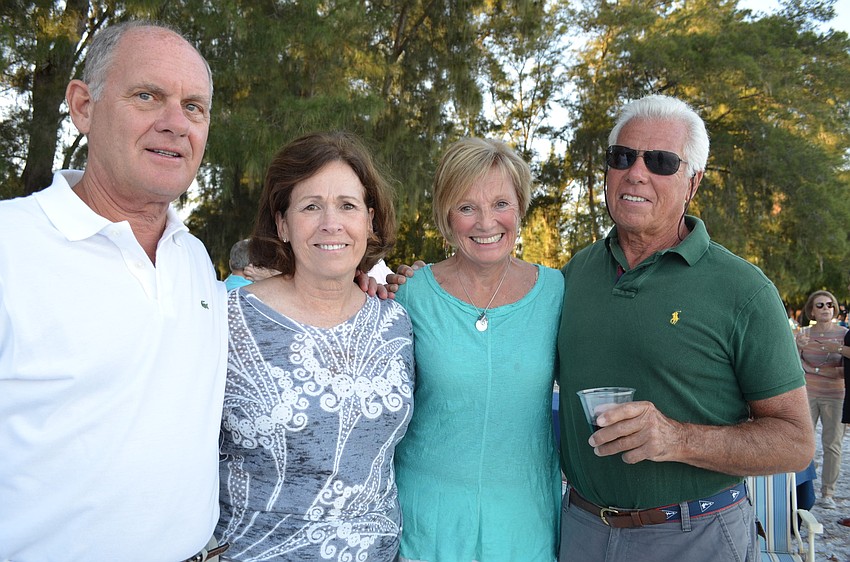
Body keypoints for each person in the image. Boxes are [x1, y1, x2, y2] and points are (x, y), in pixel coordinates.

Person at [0, 21, 229, 562]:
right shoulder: (9, 245)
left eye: (194, 107)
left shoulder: (193, 259)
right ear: (83, 106)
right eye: (148, 96)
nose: (175, 124)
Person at [556, 94, 814, 561]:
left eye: (660, 161)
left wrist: (677, 439)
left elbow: (796, 442)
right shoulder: (575, 274)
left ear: (692, 182)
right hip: (581, 530)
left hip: (696, 535)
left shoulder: (744, 290)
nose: (637, 172)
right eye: (623, 157)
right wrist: (424, 286)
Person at [216, 131, 414, 561]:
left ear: (370, 220)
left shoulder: (397, 321)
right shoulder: (226, 319)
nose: (331, 223)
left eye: (347, 205)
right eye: (310, 206)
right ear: (283, 224)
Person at [391, 137, 562, 561]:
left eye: (501, 203)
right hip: (426, 525)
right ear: (447, 218)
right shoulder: (409, 294)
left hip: (525, 527)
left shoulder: (558, 292)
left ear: (520, 207)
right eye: (467, 207)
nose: (487, 223)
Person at [796, 290, 848, 509]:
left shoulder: (844, 335)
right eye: (820, 305)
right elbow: (793, 366)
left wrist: (814, 368)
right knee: (802, 442)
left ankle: (828, 492)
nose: (826, 308)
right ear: (811, 311)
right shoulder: (803, 334)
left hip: (835, 395)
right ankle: (800, 491)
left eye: (829, 305)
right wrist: (798, 346)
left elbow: (842, 372)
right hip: (807, 394)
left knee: (832, 445)